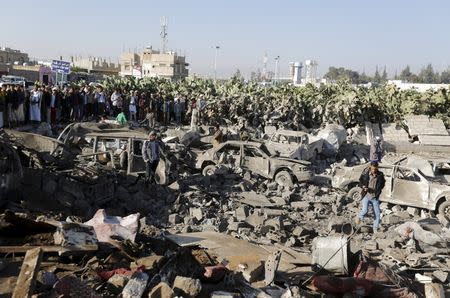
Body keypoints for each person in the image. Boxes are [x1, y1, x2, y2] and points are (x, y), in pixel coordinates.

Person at [355, 161, 386, 233]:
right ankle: (359, 217)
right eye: (372, 169)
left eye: (375, 169)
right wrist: (363, 186)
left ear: (377, 168)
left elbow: (383, 183)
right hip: (366, 195)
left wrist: (378, 190)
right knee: (365, 210)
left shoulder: (380, 175)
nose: (373, 171)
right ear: (370, 167)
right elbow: (360, 180)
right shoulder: (366, 173)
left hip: (375, 197)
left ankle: (375, 229)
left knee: (377, 214)